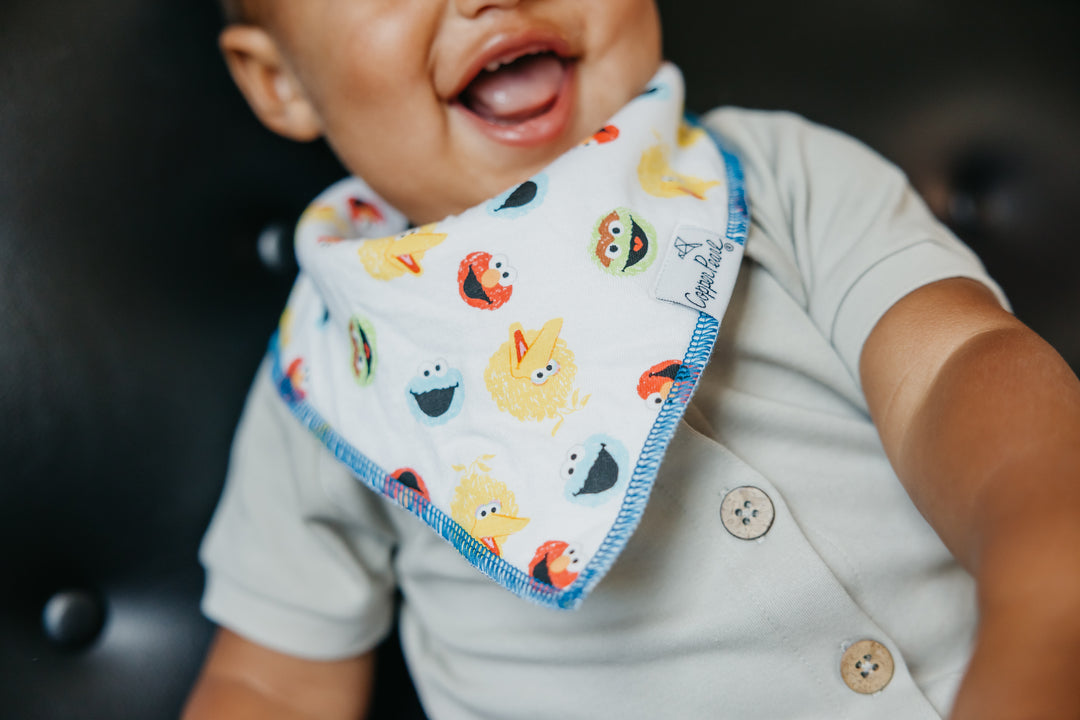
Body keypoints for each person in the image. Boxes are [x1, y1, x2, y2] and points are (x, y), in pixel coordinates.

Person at [183, 1, 1080, 718]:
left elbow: (953, 370)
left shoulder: (778, 177)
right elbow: (272, 685)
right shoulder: (335, 378)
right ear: (278, 83)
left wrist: (1042, 588)